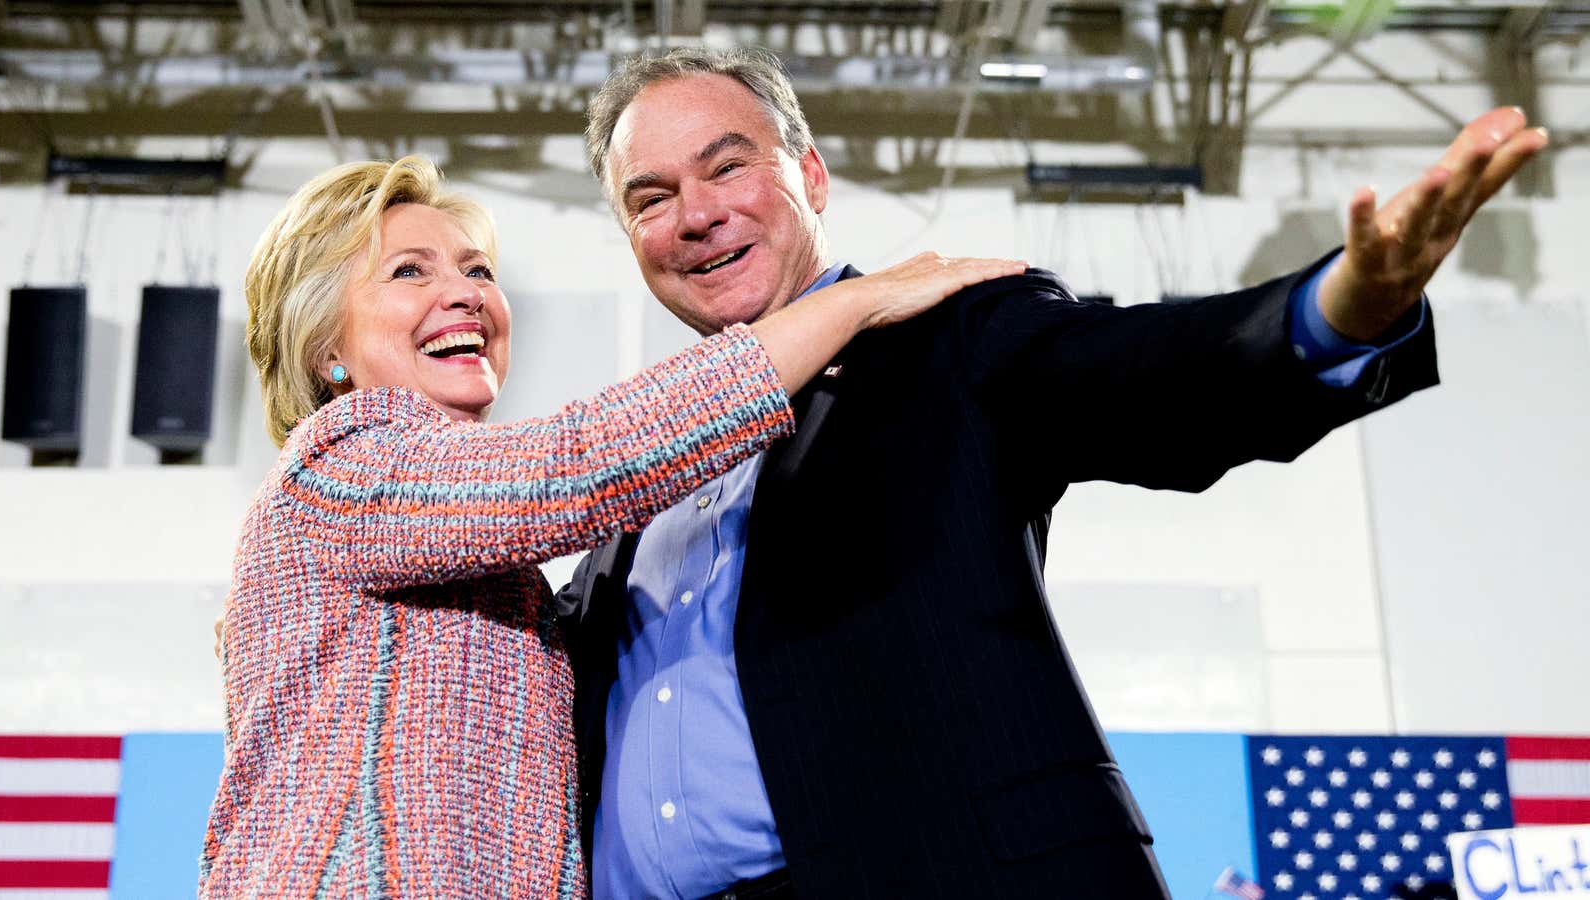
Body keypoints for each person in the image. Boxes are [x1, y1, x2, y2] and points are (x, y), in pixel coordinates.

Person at [558, 47, 1548, 900]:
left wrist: (1334, 311)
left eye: (725, 167)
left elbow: (1138, 372)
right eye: (651, 198)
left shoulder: (947, 334)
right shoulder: (632, 470)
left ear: (810, 175)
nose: (694, 214)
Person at [199, 154, 1022, 897]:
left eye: (477, 268)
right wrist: (856, 301)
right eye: (409, 271)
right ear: (324, 349)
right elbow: (581, 464)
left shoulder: (472, 549)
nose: (466, 293)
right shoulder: (340, 464)